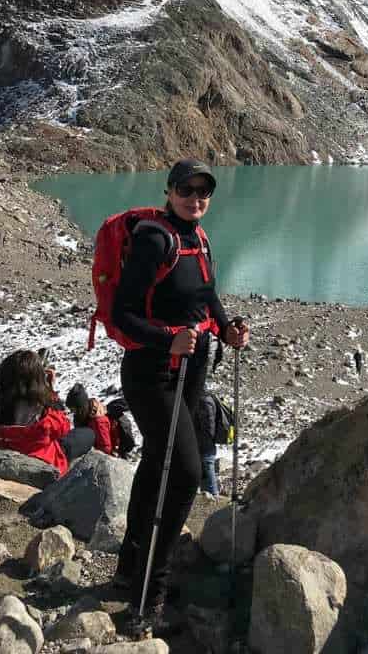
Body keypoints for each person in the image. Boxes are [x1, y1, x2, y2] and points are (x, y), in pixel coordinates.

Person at [110, 158, 249, 632]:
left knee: (156, 465)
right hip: (153, 373)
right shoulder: (155, 238)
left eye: (203, 192)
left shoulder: (198, 237)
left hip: (191, 370)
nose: (195, 199)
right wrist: (167, 338)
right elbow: (121, 312)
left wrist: (226, 326)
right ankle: (152, 592)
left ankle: (130, 566)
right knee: (187, 472)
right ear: (169, 191)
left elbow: (206, 294)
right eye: (186, 191)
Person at [0, 349, 82, 475]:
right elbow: (63, 427)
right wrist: (50, 390)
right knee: (86, 435)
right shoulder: (44, 413)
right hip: (39, 467)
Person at [66, 383, 112, 456]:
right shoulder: (81, 416)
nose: (72, 412)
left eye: (73, 409)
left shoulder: (98, 421)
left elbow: (106, 448)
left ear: (80, 408)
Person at [194, 391, 220, 497]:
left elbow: (209, 424)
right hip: (206, 440)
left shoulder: (203, 401)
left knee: (208, 465)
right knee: (205, 465)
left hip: (204, 441)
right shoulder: (210, 398)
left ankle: (214, 493)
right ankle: (209, 493)